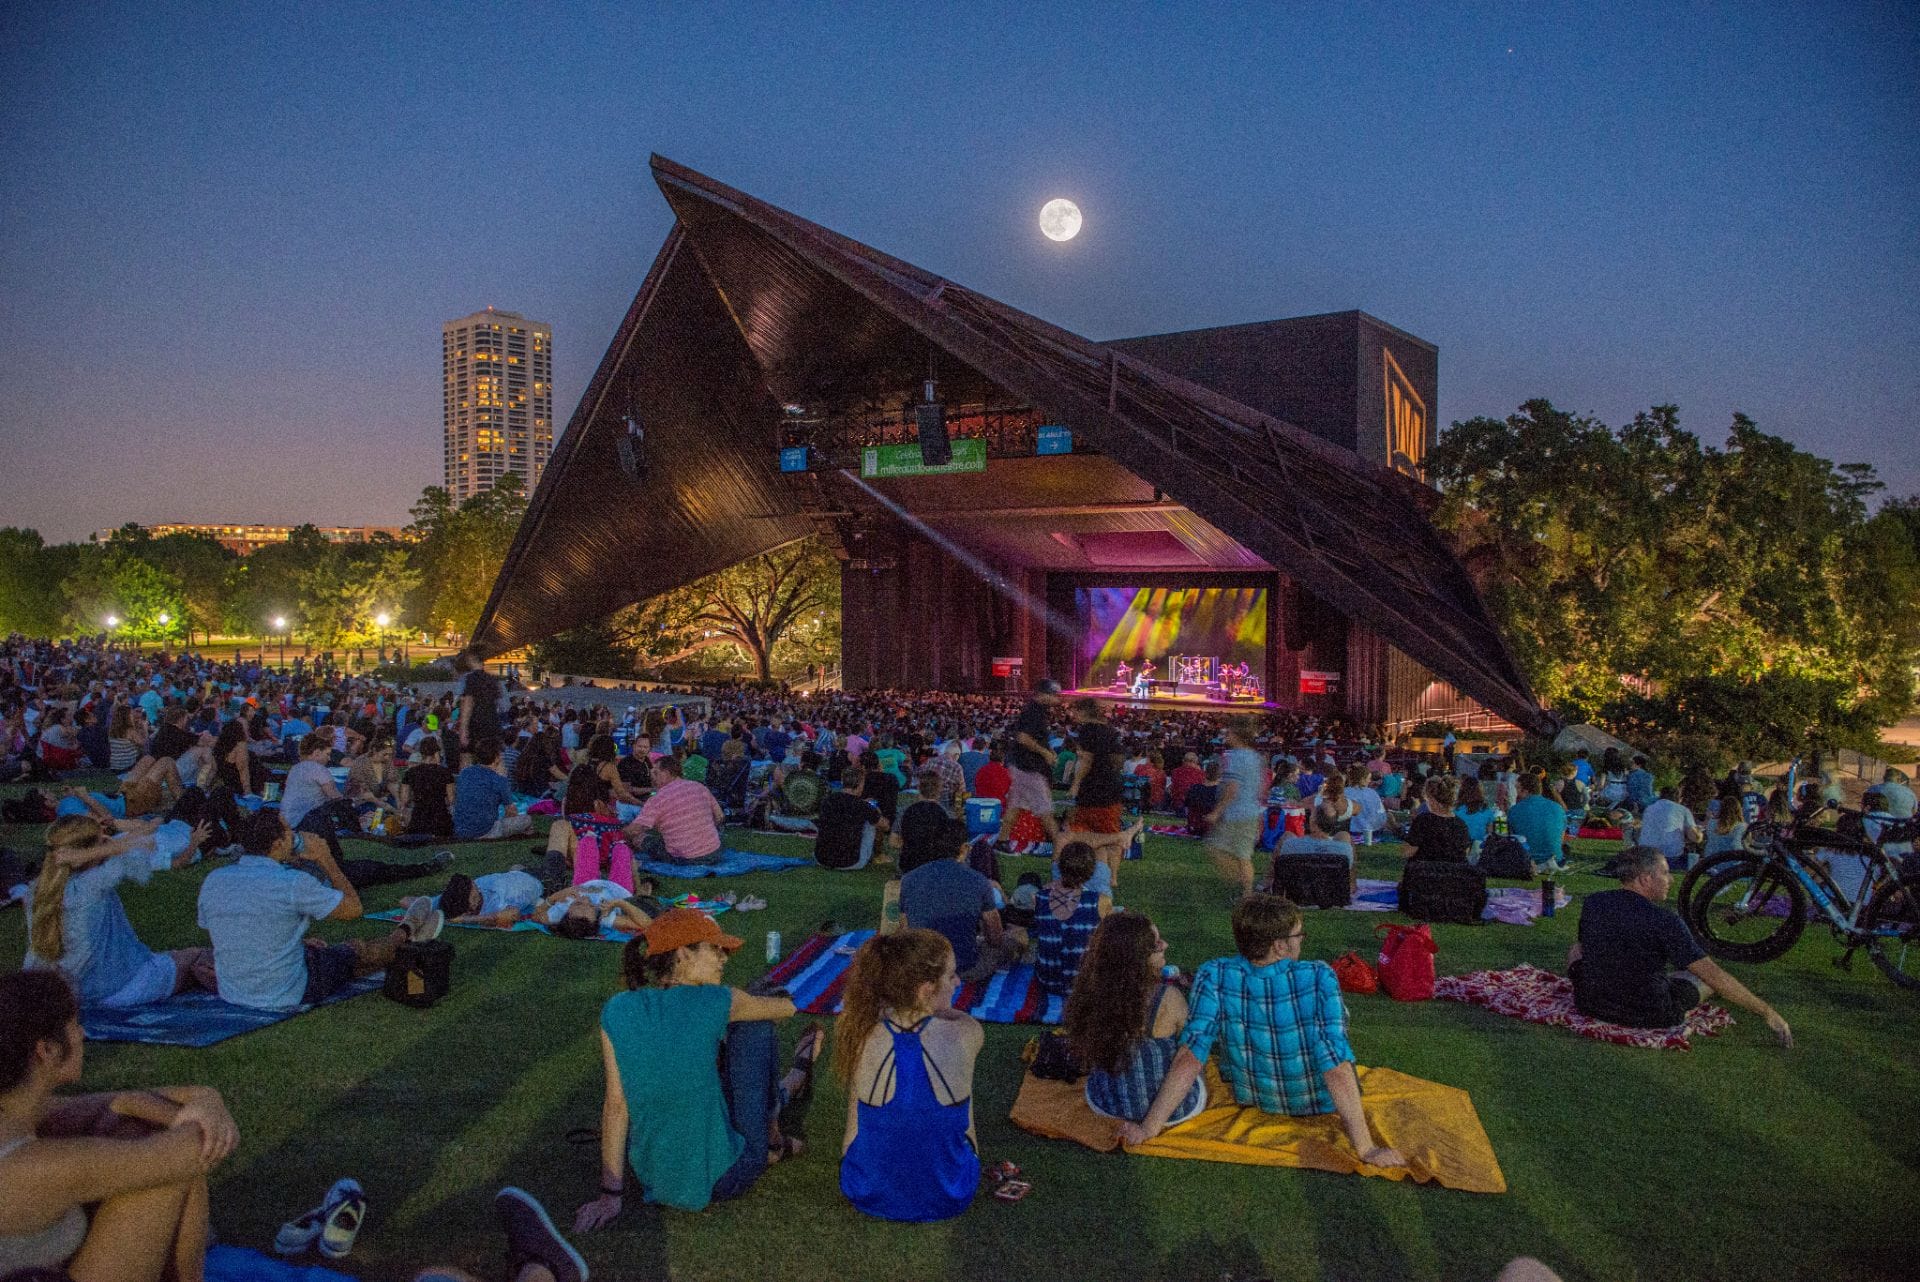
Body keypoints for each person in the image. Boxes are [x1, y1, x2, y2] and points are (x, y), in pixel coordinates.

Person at [1118, 895, 1405, 1167]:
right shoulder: (1318, 976)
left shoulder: (1214, 974)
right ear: (1279, 946)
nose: (1301, 942)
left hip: (1256, 1098)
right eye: (1298, 935)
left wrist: (1149, 1127)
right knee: (1336, 1042)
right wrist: (1366, 1148)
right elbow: (1335, 1064)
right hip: (1317, 1102)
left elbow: (1190, 1056)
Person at [574, 910, 820, 1222]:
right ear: (682, 954)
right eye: (715, 949)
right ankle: (773, 1133)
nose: (724, 958)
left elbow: (616, 1106)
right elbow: (788, 1007)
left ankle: (792, 1082)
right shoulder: (717, 1000)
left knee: (710, 1058)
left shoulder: (618, 1008)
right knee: (757, 1024)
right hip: (723, 1176)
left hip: (655, 1178)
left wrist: (610, 1197)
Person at [0, 969, 238, 1281]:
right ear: (47, 1050)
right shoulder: (27, 1166)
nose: (82, 1034)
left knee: (140, 1131)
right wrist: (208, 1114)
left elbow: (122, 1102)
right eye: (74, 1025)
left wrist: (203, 1097)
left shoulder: (15, 1112)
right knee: (164, 1168)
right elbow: (192, 1152)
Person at [196, 811, 439, 1012]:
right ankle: (406, 931)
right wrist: (326, 859)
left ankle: (402, 943)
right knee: (356, 949)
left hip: (235, 989)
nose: (295, 835)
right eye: (289, 831)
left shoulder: (215, 879)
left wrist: (294, 943)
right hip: (285, 991)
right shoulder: (291, 883)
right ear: (279, 843)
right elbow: (353, 909)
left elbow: (240, 928)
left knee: (339, 959)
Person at [1569, 845, 1792, 1043]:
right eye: (1665, 873)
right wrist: (1766, 1011)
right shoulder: (1664, 920)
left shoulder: (1594, 902)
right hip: (1649, 1012)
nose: (1671, 879)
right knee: (1702, 978)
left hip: (1590, 1003)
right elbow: (1712, 974)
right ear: (1646, 879)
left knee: (1577, 950)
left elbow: (1581, 949)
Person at [836, 929, 982, 1222]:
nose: (957, 982)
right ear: (926, 989)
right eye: (951, 976)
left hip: (866, 1191)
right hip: (949, 1195)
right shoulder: (968, 1033)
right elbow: (968, 1129)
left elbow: (852, 1133)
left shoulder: (860, 1032)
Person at [24, 814, 216, 1007]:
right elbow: (139, 849)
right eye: (102, 841)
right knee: (198, 956)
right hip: (117, 989)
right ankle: (237, 991)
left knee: (171, 957)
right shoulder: (94, 884)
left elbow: (129, 843)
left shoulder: (37, 891)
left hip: (63, 991)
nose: (108, 841)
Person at [1063, 911, 1206, 1127]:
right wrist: (1149, 1127)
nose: (1165, 945)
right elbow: (1190, 1060)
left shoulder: (1090, 991)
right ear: (1138, 957)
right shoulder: (1167, 998)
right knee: (1194, 1061)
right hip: (1172, 1113)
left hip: (1107, 1105)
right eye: (1156, 944)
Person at [900, 817, 1013, 982]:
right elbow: (995, 939)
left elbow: (905, 932)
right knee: (1018, 938)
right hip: (963, 968)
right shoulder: (979, 881)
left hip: (920, 967)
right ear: (964, 848)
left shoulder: (909, 879)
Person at [1034, 841, 1111, 997]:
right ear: (1091, 871)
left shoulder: (1040, 897)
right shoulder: (1100, 901)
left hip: (1047, 979)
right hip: (1085, 983)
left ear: (1061, 867)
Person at [1203, 717, 1266, 900]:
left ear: (1237, 735)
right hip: (1251, 811)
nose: (1225, 735)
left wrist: (1217, 812)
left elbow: (1232, 787)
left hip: (1237, 813)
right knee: (1243, 855)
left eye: (1228, 732)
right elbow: (1261, 786)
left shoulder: (1236, 757)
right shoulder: (1255, 757)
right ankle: (1246, 893)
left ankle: (1239, 882)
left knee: (1214, 847)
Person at [624, 754, 725, 864]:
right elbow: (719, 816)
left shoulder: (658, 799)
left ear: (666, 773)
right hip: (714, 852)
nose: (652, 777)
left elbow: (634, 830)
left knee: (640, 838)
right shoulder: (699, 787)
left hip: (685, 858)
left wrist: (619, 831)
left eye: (655, 773)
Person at [998, 680, 1061, 845]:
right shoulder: (1033, 712)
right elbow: (1023, 737)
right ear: (1044, 694)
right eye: (1054, 694)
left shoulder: (1038, 710)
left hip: (1022, 765)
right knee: (1045, 809)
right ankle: (1060, 846)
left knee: (1015, 806)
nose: (1057, 698)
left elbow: (1033, 737)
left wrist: (1048, 750)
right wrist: (1045, 752)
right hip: (1028, 768)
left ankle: (1002, 841)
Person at [454, 740, 532, 841]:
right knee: (527, 819)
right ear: (497, 757)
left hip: (460, 829)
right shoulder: (499, 779)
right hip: (485, 831)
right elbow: (512, 811)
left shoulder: (465, 773)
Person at [814, 765, 884, 871]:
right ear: (860, 784)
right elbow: (884, 825)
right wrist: (876, 811)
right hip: (850, 862)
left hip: (821, 859)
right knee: (872, 822)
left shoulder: (828, 800)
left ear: (843, 781)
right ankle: (878, 855)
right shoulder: (863, 806)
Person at [1505, 772, 1568, 871]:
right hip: (1555, 859)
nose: (1516, 792)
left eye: (1517, 788)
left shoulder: (1514, 811)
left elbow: (1511, 838)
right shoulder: (1557, 808)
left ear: (1524, 790)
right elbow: (1560, 837)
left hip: (1526, 860)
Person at [454, 647, 505, 766]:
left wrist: (463, 728)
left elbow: (468, 703)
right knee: (495, 759)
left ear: (472, 660)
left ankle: (466, 784)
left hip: (476, 723)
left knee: (466, 757)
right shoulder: (493, 679)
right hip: (492, 723)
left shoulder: (470, 679)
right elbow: (500, 705)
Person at [399, 734, 457, 839]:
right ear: (436, 753)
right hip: (440, 819)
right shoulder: (445, 773)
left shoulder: (410, 773)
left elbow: (404, 800)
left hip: (418, 819)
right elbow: (451, 799)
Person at [1403, 775, 1470, 863]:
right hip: (1452, 873)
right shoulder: (1461, 825)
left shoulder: (1423, 821)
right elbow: (1465, 853)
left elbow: (1407, 852)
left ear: (1431, 800)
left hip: (1424, 872)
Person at [1639, 785, 1704, 869]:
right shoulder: (1683, 810)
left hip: (1645, 854)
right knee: (1695, 860)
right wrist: (1700, 832)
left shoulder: (1649, 808)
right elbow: (1694, 837)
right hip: (1669, 856)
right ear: (1679, 798)